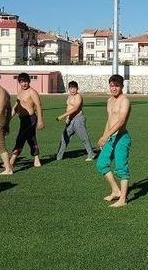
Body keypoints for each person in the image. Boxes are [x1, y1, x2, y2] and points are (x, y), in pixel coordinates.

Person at [95, 74, 132, 208]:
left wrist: (107, 136)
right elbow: (110, 120)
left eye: (116, 86)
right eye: (112, 86)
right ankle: (116, 190)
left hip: (122, 138)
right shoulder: (109, 101)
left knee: (121, 168)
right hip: (110, 138)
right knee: (101, 164)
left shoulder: (125, 100)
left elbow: (121, 121)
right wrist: (104, 136)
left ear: (122, 86)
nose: (114, 88)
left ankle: (123, 199)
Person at [9, 73, 44, 169]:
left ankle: (12, 160)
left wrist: (40, 120)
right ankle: (36, 158)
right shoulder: (19, 92)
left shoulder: (32, 92)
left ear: (29, 81)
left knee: (21, 137)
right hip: (23, 120)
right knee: (30, 138)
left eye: (25, 81)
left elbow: (39, 106)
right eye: (22, 82)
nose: (24, 84)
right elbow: (16, 107)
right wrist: (9, 119)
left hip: (31, 119)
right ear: (19, 82)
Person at [55, 80, 96, 161]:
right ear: (69, 89)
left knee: (84, 137)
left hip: (78, 119)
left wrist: (62, 116)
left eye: (74, 88)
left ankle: (91, 154)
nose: (73, 90)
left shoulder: (78, 96)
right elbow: (68, 108)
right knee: (64, 138)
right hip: (70, 120)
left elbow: (75, 108)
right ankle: (59, 157)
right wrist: (67, 119)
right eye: (71, 88)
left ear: (77, 89)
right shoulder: (69, 97)